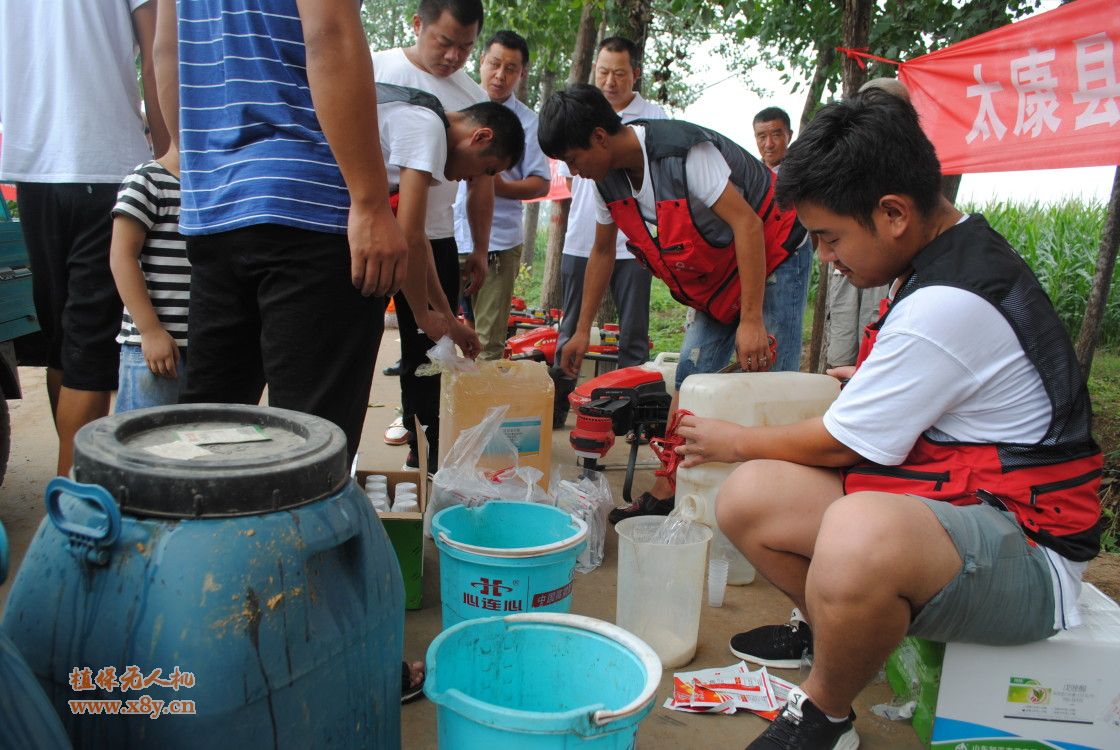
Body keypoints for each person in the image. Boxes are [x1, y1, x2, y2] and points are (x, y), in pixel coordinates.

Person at [674, 89, 1103, 749]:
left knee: (858, 529)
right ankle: (839, 634)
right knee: (750, 497)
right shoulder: (941, 260)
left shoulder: (948, 301)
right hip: (964, 506)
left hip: (1030, 553)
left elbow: (844, 442)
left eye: (829, 237)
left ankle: (825, 714)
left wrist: (735, 438)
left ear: (894, 213)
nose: (825, 257)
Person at [539, 85, 809, 522]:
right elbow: (603, 252)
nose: (574, 171)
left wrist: (752, 319)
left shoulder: (682, 154)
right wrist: (582, 328)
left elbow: (748, 225)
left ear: (600, 138)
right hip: (719, 272)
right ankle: (670, 485)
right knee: (691, 372)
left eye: (573, 159)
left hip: (774, 248)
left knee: (768, 373)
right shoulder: (607, 179)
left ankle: (774, 501)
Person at [163, 0, 409, 464]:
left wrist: (202, 167)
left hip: (215, 205)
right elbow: (329, 31)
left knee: (207, 441)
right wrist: (372, 203)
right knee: (311, 449)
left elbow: (164, 50)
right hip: (307, 204)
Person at [0, 0, 168, 475]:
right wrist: (168, 156)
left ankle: (74, 480)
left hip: (31, 168)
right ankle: (71, 502)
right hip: (106, 159)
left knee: (64, 343)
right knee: (87, 348)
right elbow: (158, 56)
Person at [372, 0, 495, 469]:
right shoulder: (375, 69)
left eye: (465, 47)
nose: (452, 57)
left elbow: (482, 181)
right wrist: (432, 310)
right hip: (375, 225)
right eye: (443, 42)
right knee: (399, 339)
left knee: (430, 349)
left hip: (434, 236)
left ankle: (432, 452)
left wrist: (479, 248)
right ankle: (412, 431)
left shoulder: (469, 95)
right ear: (418, 24)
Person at [551, 37, 667, 424]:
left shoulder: (653, 117)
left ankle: (626, 415)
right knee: (571, 326)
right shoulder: (580, 118)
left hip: (633, 247)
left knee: (633, 333)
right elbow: (571, 180)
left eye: (619, 72)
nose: (611, 80)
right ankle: (558, 406)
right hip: (584, 239)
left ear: (634, 73)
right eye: (603, 72)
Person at [377, 82, 524, 364]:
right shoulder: (428, 128)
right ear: (481, 137)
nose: (475, 178)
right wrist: (422, 314)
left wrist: (449, 320)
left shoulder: (428, 120)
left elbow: (419, 240)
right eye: (487, 170)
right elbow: (410, 237)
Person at [452, 30, 550, 360]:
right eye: (494, 64)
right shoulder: (456, 103)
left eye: (511, 68)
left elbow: (541, 183)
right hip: (446, 236)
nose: (500, 75)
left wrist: (496, 184)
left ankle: (479, 411)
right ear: (481, 61)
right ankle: (436, 409)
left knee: (487, 344)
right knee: (436, 334)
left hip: (498, 243)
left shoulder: (529, 123)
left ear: (522, 73)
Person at [821, 79, 906, 370]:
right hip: (847, 263)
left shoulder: (909, 161)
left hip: (881, 264)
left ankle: (864, 381)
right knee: (841, 340)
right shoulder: (844, 151)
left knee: (874, 329)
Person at [108, 143, 189, 411]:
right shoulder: (148, 179)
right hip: (154, 348)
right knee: (144, 444)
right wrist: (150, 331)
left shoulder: (213, 185)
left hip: (203, 345)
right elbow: (122, 257)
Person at [751, 105, 814, 374]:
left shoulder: (800, 171)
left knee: (783, 331)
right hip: (757, 257)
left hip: (791, 258)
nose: (769, 143)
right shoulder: (751, 172)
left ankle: (782, 396)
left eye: (776, 134)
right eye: (761, 136)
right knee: (758, 330)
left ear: (788, 135)